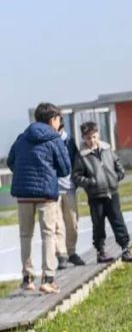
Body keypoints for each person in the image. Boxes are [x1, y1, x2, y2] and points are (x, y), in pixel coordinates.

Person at [7, 102, 72, 294]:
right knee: (48, 234)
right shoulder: (54, 139)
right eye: (59, 119)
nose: (60, 123)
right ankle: (48, 279)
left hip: (23, 194)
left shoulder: (22, 137)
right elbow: (65, 169)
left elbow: (11, 161)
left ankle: (27, 278)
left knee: (25, 235)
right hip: (46, 194)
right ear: (52, 119)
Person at [73, 121, 132, 263]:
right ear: (83, 138)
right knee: (98, 224)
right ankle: (100, 251)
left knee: (118, 220)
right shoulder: (81, 156)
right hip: (96, 196)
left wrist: (117, 176)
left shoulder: (107, 149)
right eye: (88, 138)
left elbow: (118, 165)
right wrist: (91, 182)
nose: (92, 140)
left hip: (112, 193)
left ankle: (125, 249)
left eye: (94, 136)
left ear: (98, 134)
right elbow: (76, 176)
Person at [55, 121, 85, 269]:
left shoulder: (69, 141)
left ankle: (71, 252)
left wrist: (77, 180)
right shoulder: (46, 142)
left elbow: (77, 162)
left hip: (69, 188)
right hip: (53, 190)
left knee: (72, 223)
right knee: (57, 225)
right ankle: (61, 255)